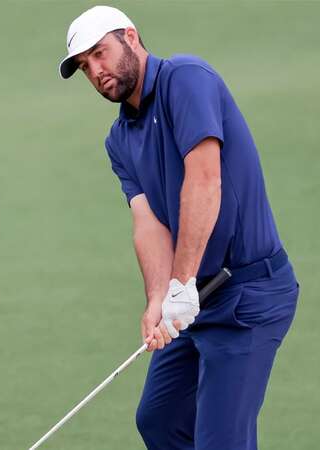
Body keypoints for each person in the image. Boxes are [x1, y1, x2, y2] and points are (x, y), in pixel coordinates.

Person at [58, 6, 298, 450]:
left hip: (249, 296)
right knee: (160, 420)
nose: (95, 71)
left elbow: (205, 181)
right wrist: (158, 296)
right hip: (194, 301)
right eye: (85, 66)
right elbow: (148, 223)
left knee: (220, 441)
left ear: (130, 37)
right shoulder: (119, 139)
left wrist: (181, 281)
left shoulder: (186, 79)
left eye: (99, 53)